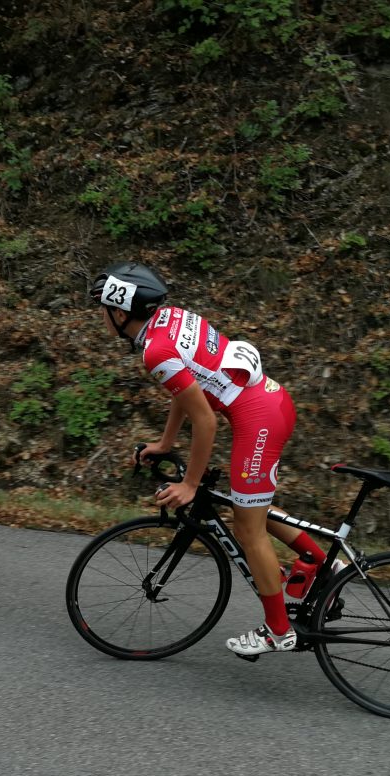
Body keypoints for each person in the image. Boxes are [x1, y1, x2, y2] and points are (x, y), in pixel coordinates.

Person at [92, 261, 342, 658]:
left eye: (103, 311)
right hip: (268, 403)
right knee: (248, 507)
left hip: (258, 419)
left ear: (120, 314)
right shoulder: (170, 318)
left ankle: (279, 632)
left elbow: (205, 420)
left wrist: (190, 484)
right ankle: (323, 564)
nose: (101, 318)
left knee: (248, 530)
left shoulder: (155, 352)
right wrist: (165, 443)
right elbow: (186, 392)